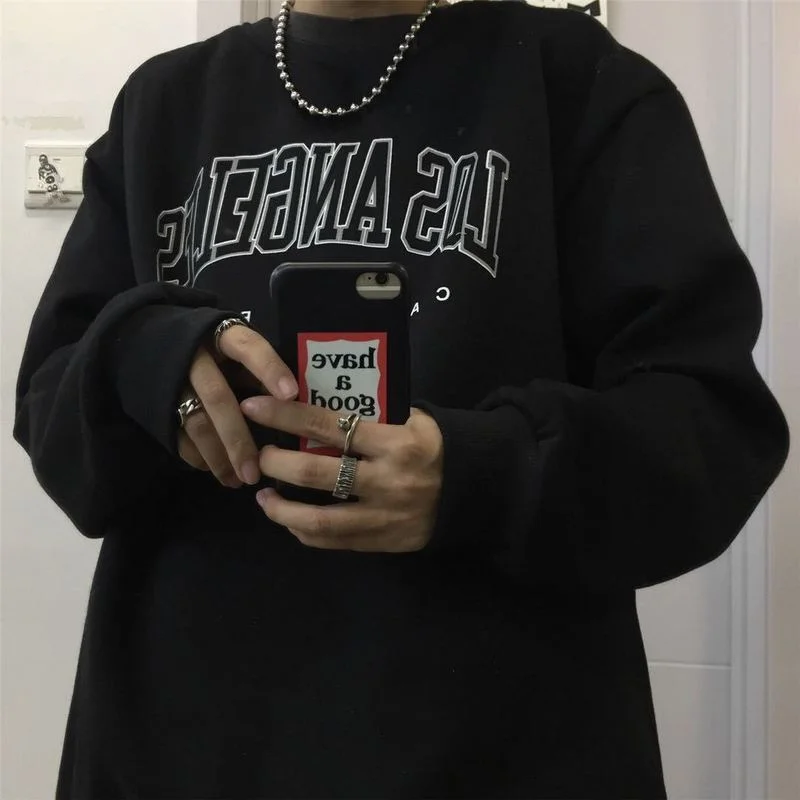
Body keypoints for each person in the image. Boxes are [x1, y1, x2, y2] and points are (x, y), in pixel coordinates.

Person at [14, 0, 789, 797]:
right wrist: (144, 357)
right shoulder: (164, 104)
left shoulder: (582, 84)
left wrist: (480, 477)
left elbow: (709, 430)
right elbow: (50, 415)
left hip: (505, 749)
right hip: (179, 745)